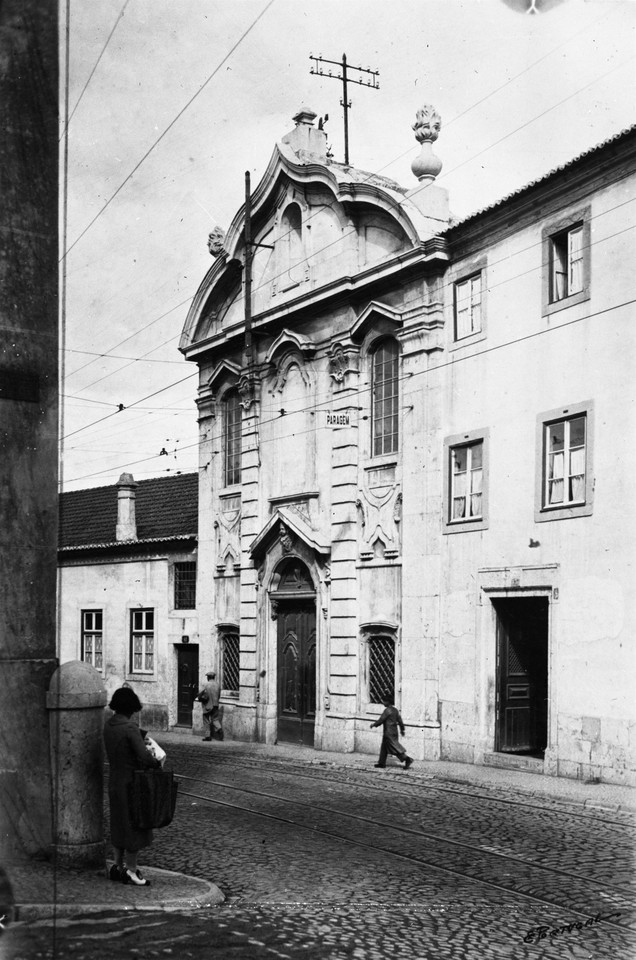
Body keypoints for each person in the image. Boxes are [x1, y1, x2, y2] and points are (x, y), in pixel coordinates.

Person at [103, 686, 160, 886]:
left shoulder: (108, 725)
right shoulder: (129, 728)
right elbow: (143, 756)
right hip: (131, 784)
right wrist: (156, 761)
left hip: (114, 782)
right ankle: (132, 870)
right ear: (131, 707)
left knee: (118, 824)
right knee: (135, 826)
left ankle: (117, 867)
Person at [370, 694, 414, 770]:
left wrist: (374, 724)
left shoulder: (387, 710)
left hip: (388, 732)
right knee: (384, 747)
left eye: (384, 701)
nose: (383, 703)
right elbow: (400, 721)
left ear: (388, 702)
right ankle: (381, 763)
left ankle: (407, 759)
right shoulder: (395, 710)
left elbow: (381, 720)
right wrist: (402, 729)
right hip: (394, 732)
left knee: (394, 747)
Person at [196, 670, 222, 741]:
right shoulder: (217, 685)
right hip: (216, 705)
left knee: (206, 720)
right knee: (215, 719)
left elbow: (199, 693)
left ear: (208, 677)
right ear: (213, 677)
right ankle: (219, 729)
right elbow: (219, 695)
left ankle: (207, 736)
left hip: (207, 705)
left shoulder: (206, 684)